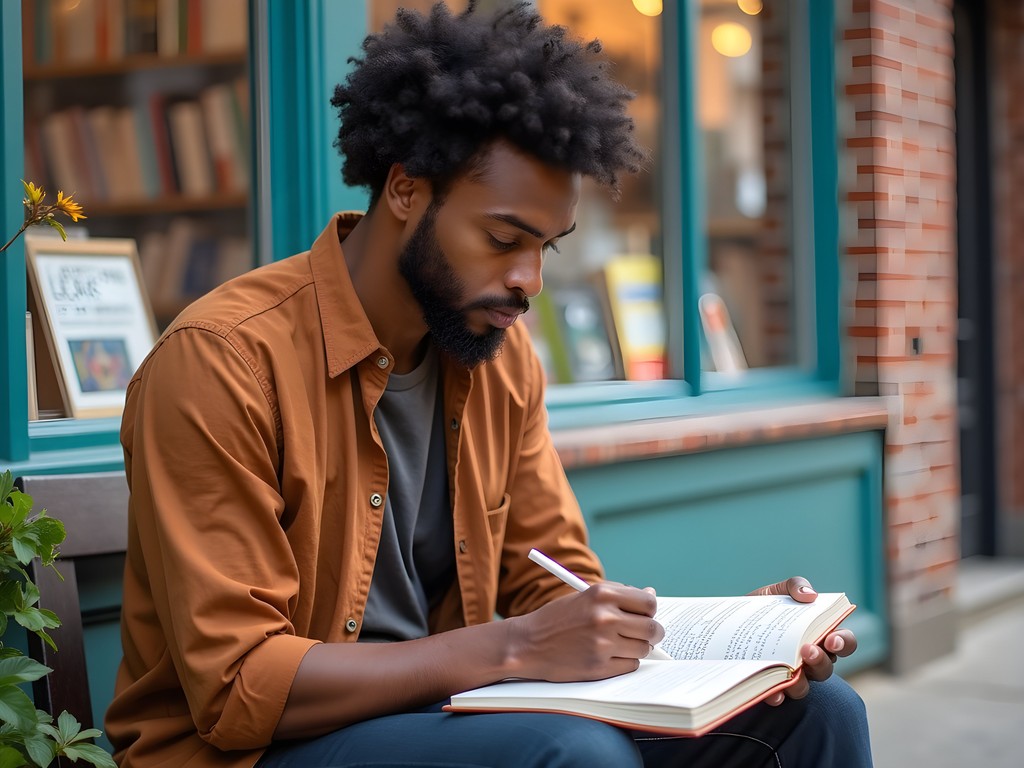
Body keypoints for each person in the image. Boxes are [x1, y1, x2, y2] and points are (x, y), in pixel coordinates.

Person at [106, 2, 872, 766]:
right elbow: (239, 686)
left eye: (547, 247)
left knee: (817, 712)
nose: (528, 280)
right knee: (569, 754)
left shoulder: (497, 355)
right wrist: (511, 648)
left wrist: (735, 639)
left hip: (447, 714)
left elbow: (553, 590)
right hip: (256, 748)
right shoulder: (222, 361)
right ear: (406, 191)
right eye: (504, 240)